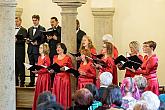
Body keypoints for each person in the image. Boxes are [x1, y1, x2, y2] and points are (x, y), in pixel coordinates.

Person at [51, 43, 73, 109]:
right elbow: (53, 68)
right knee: (56, 94)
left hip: (65, 78)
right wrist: (52, 71)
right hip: (57, 78)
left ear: (63, 49)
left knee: (64, 94)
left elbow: (71, 69)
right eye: (57, 47)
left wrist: (65, 69)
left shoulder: (67, 58)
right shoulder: (55, 57)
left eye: (59, 47)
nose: (57, 49)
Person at [26, 15, 46, 87]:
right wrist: (27, 41)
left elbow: (44, 40)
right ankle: (31, 82)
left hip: (37, 50)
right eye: (33, 20)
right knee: (31, 66)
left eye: (35, 20)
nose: (34, 22)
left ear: (38, 20)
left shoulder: (42, 28)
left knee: (38, 66)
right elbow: (28, 37)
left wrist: (37, 43)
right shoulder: (30, 29)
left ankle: (38, 82)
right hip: (30, 50)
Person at [32, 43, 51, 110]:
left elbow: (47, 69)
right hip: (40, 77)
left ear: (44, 49)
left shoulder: (47, 57)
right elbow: (39, 67)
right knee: (38, 92)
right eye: (39, 47)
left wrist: (38, 71)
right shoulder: (39, 57)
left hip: (45, 77)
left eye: (41, 47)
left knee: (44, 91)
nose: (39, 49)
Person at [47, 17, 61, 87]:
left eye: (53, 22)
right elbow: (46, 40)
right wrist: (48, 39)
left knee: (57, 68)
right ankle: (51, 84)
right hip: (51, 52)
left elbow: (63, 40)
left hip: (58, 52)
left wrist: (57, 39)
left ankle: (57, 83)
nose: (52, 23)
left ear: (57, 22)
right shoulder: (49, 30)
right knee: (51, 67)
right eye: (51, 22)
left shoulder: (61, 29)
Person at [15, 17, 27, 87]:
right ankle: (15, 81)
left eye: (17, 21)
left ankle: (22, 82)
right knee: (14, 67)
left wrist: (17, 41)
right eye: (15, 21)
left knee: (20, 66)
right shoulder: (12, 29)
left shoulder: (24, 30)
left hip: (20, 51)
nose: (16, 23)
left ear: (20, 21)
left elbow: (24, 40)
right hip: (13, 51)